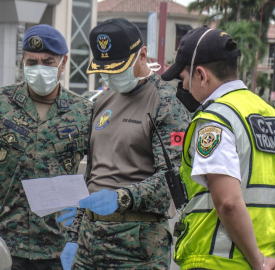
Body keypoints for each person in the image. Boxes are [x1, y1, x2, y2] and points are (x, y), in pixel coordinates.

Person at [0, 24, 92, 269]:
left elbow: (103, 167)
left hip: (57, 246)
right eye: (32, 62)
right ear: (22, 61)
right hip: (1, 243)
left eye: (48, 61)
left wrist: (83, 214)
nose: (39, 68)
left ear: (64, 62)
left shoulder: (84, 112)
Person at [161, 26, 275, 270]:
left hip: (214, 261)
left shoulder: (215, 120)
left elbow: (227, 201)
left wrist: (258, 262)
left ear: (201, 75)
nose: (182, 88)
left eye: (183, 79)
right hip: (269, 261)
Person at [58, 18, 190, 269]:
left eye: (118, 68)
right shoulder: (102, 101)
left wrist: (122, 197)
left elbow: (173, 180)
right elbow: (92, 175)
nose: (111, 76)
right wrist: (74, 235)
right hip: (89, 242)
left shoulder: (165, 103)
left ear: (142, 54)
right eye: (105, 70)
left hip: (136, 246)